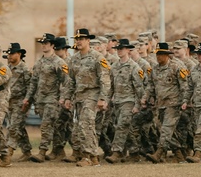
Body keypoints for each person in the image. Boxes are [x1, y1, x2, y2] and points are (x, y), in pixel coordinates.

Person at [62, 28, 112, 167]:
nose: (78, 41)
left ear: (88, 41)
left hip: (92, 95)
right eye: (77, 39)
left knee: (87, 125)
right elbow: (70, 80)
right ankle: (93, 157)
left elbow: (105, 80)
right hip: (79, 97)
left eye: (81, 39)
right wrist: (67, 98)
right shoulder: (74, 59)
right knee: (81, 127)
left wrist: (103, 98)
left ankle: (88, 156)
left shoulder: (97, 58)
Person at [24, 34, 69, 162]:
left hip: (52, 99)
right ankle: (59, 151)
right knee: (52, 127)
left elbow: (67, 81)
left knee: (46, 126)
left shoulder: (59, 63)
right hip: (41, 100)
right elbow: (33, 82)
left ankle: (42, 152)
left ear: (53, 45)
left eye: (46, 43)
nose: (43, 45)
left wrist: (64, 97)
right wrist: (28, 98)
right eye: (42, 43)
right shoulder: (39, 62)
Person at [144, 42, 191, 163]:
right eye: (157, 54)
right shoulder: (155, 69)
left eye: (160, 54)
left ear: (166, 55)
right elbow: (150, 85)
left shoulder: (176, 67)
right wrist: (145, 97)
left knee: (166, 129)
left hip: (173, 104)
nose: (158, 57)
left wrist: (185, 101)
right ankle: (180, 155)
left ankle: (159, 153)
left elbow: (185, 86)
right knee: (167, 131)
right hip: (160, 104)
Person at [105, 38, 147, 163]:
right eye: (117, 49)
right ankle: (134, 151)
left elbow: (139, 88)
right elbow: (111, 87)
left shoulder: (134, 67)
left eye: (121, 49)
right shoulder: (114, 67)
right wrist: (107, 101)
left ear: (128, 50)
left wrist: (138, 104)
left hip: (129, 101)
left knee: (122, 125)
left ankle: (116, 152)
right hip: (117, 101)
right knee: (125, 128)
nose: (119, 51)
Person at [1, 42, 32, 165]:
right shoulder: (7, 68)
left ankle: (8, 151)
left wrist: (27, 100)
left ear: (19, 54)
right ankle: (27, 151)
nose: (9, 56)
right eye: (8, 53)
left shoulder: (25, 69)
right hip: (9, 102)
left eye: (12, 53)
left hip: (21, 102)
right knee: (18, 127)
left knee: (14, 127)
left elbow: (30, 86)